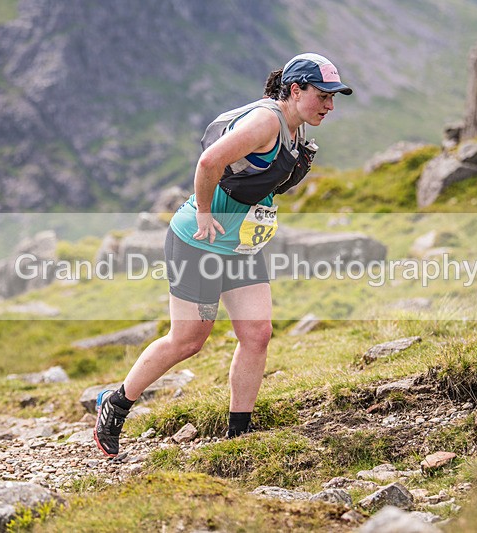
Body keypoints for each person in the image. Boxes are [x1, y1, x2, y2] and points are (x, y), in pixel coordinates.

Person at [94, 53, 352, 458]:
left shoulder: (296, 128)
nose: (330, 106)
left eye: (334, 98)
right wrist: (203, 211)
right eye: (323, 96)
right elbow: (209, 161)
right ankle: (117, 402)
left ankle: (238, 435)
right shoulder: (266, 121)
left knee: (257, 334)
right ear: (296, 89)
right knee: (187, 340)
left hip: (242, 246)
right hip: (199, 241)